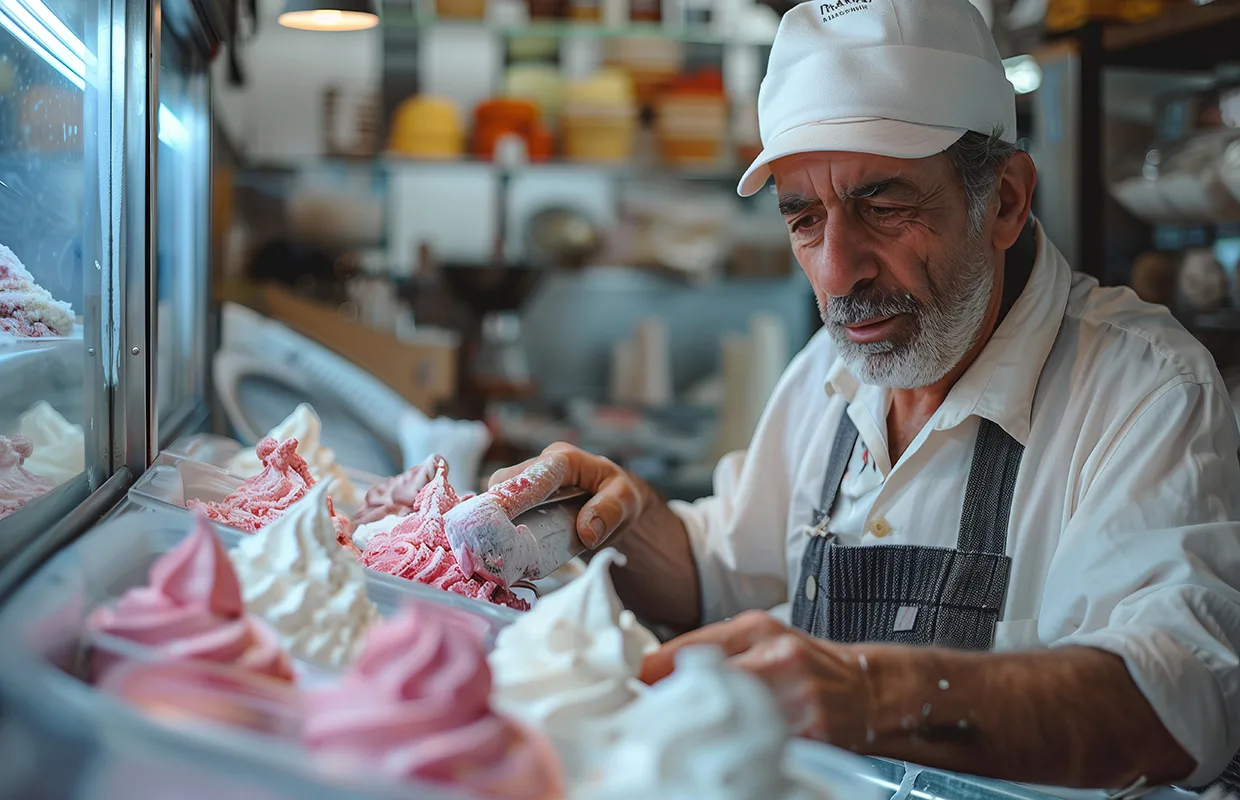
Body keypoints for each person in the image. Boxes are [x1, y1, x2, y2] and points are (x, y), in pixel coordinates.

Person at [489, 0, 1240, 792]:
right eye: (805, 219)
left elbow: (1181, 700)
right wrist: (617, 515)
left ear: (1007, 202)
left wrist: (873, 694)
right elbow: (729, 570)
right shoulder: (830, 370)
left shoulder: (1143, 390)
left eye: (883, 207)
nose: (837, 272)